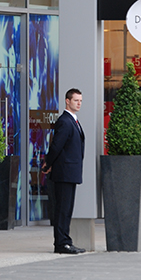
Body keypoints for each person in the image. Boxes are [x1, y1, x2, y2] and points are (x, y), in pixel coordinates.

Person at [42, 88, 86, 254]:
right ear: (67, 101)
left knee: (67, 209)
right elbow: (56, 146)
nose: (79, 103)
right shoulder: (65, 121)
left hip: (70, 171)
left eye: (80, 101)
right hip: (64, 172)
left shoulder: (73, 121)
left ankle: (66, 241)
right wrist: (48, 164)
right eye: (76, 100)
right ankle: (61, 244)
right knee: (62, 209)